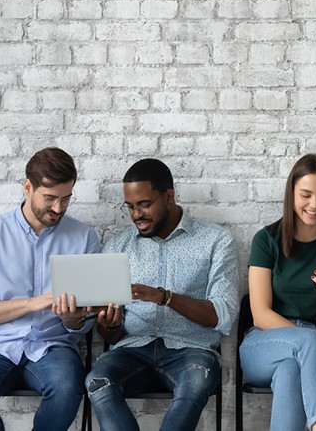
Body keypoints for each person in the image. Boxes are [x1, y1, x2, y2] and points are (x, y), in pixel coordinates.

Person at [85, 158, 239, 430]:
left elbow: (223, 315)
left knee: (195, 385)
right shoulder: (118, 245)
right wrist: (109, 326)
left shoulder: (216, 240)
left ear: (169, 196)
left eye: (144, 204)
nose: (136, 215)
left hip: (192, 350)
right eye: (130, 207)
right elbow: (112, 335)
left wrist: (164, 297)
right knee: (97, 381)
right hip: (131, 349)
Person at [0, 147, 100, 431]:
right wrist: (32, 303)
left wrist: (73, 320)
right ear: (28, 187)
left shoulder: (84, 238)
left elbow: (86, 319)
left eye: (66, 199)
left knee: (68, 388)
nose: (58, 208)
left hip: (52, 346)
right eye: (50, 198)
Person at [239, 154, 316, 431]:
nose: (314, 205)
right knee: (308, 344)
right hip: (266, 340)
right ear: (291, 192)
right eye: (306, 195)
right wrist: (312, 342)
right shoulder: (266, 240)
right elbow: (260, 315)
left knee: (290, 371)